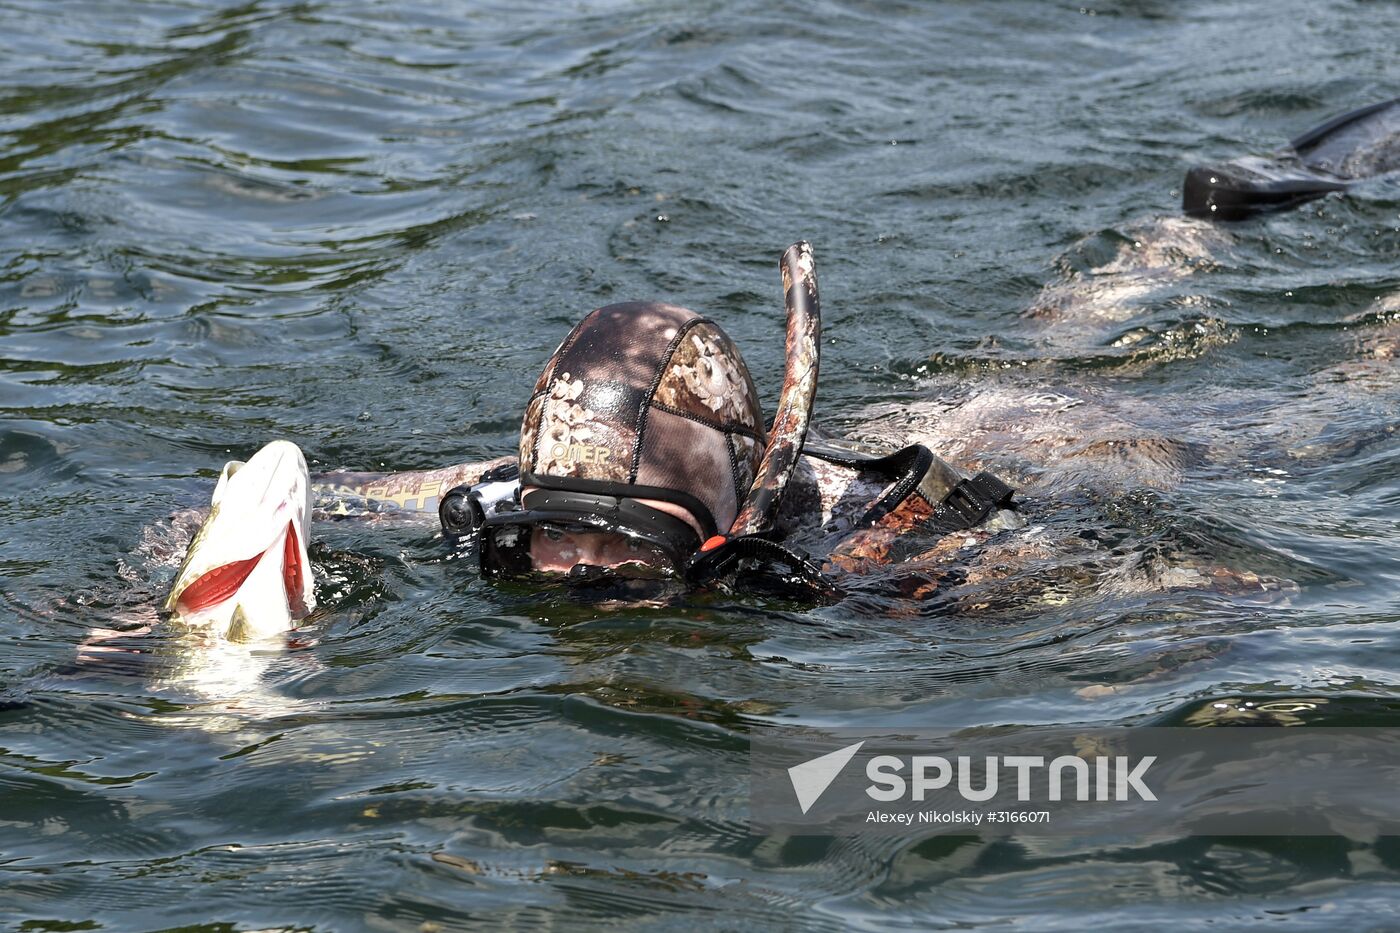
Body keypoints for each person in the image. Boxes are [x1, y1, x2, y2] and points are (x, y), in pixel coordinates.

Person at [163, 243, 1017, 635]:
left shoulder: (861, 535)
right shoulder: (520, 488)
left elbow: (1073, 580)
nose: (586, 565)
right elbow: (288, 498)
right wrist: (141, 625)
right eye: (562, 528)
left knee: (1045, 347)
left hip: (1018, 428)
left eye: (626, 533)